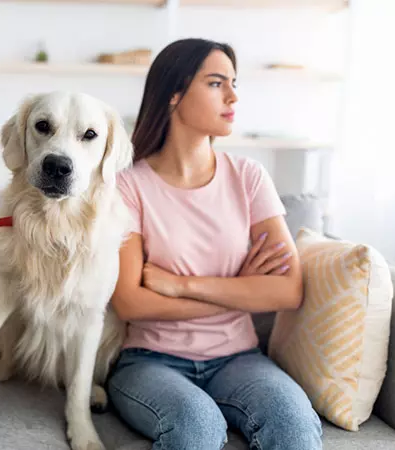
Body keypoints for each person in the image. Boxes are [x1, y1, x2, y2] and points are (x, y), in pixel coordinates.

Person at [107, 38, 323, 450]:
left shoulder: (248, 177)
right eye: (216, 83)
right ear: (174, 93)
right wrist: (241, 290)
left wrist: (182, 284)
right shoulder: (128, 186)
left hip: (239, 358)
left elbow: (287, 289)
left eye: (234, 83)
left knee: (293, 423)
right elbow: (131, 303)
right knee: (197, 427)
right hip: (151, 361)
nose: (233, 96)